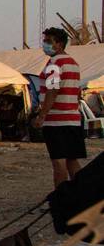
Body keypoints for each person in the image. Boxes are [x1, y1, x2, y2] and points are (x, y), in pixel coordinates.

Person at [32, 27, 85, 188]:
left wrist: (42, 116)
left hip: (56, 121)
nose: (45, 45)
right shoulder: (73, 63)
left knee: (58, 162)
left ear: (59, 44)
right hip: (73, 120)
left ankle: (61, 197)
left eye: (49, 41)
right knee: (72, 161)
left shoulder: (54, 64)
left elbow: (52, 90)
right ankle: (81, 195)